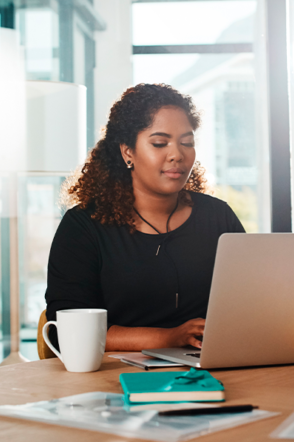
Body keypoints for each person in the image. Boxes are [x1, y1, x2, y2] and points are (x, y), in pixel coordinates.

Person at [45, 83, 246, 352]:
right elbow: (66, 329)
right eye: (159, 143)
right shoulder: (83, 227)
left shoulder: (217, 216)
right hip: (113, 378)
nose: (177, 154)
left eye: (187, 142)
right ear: (128, 151)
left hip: (208, 370)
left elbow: (250, 304)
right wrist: (169, 338)